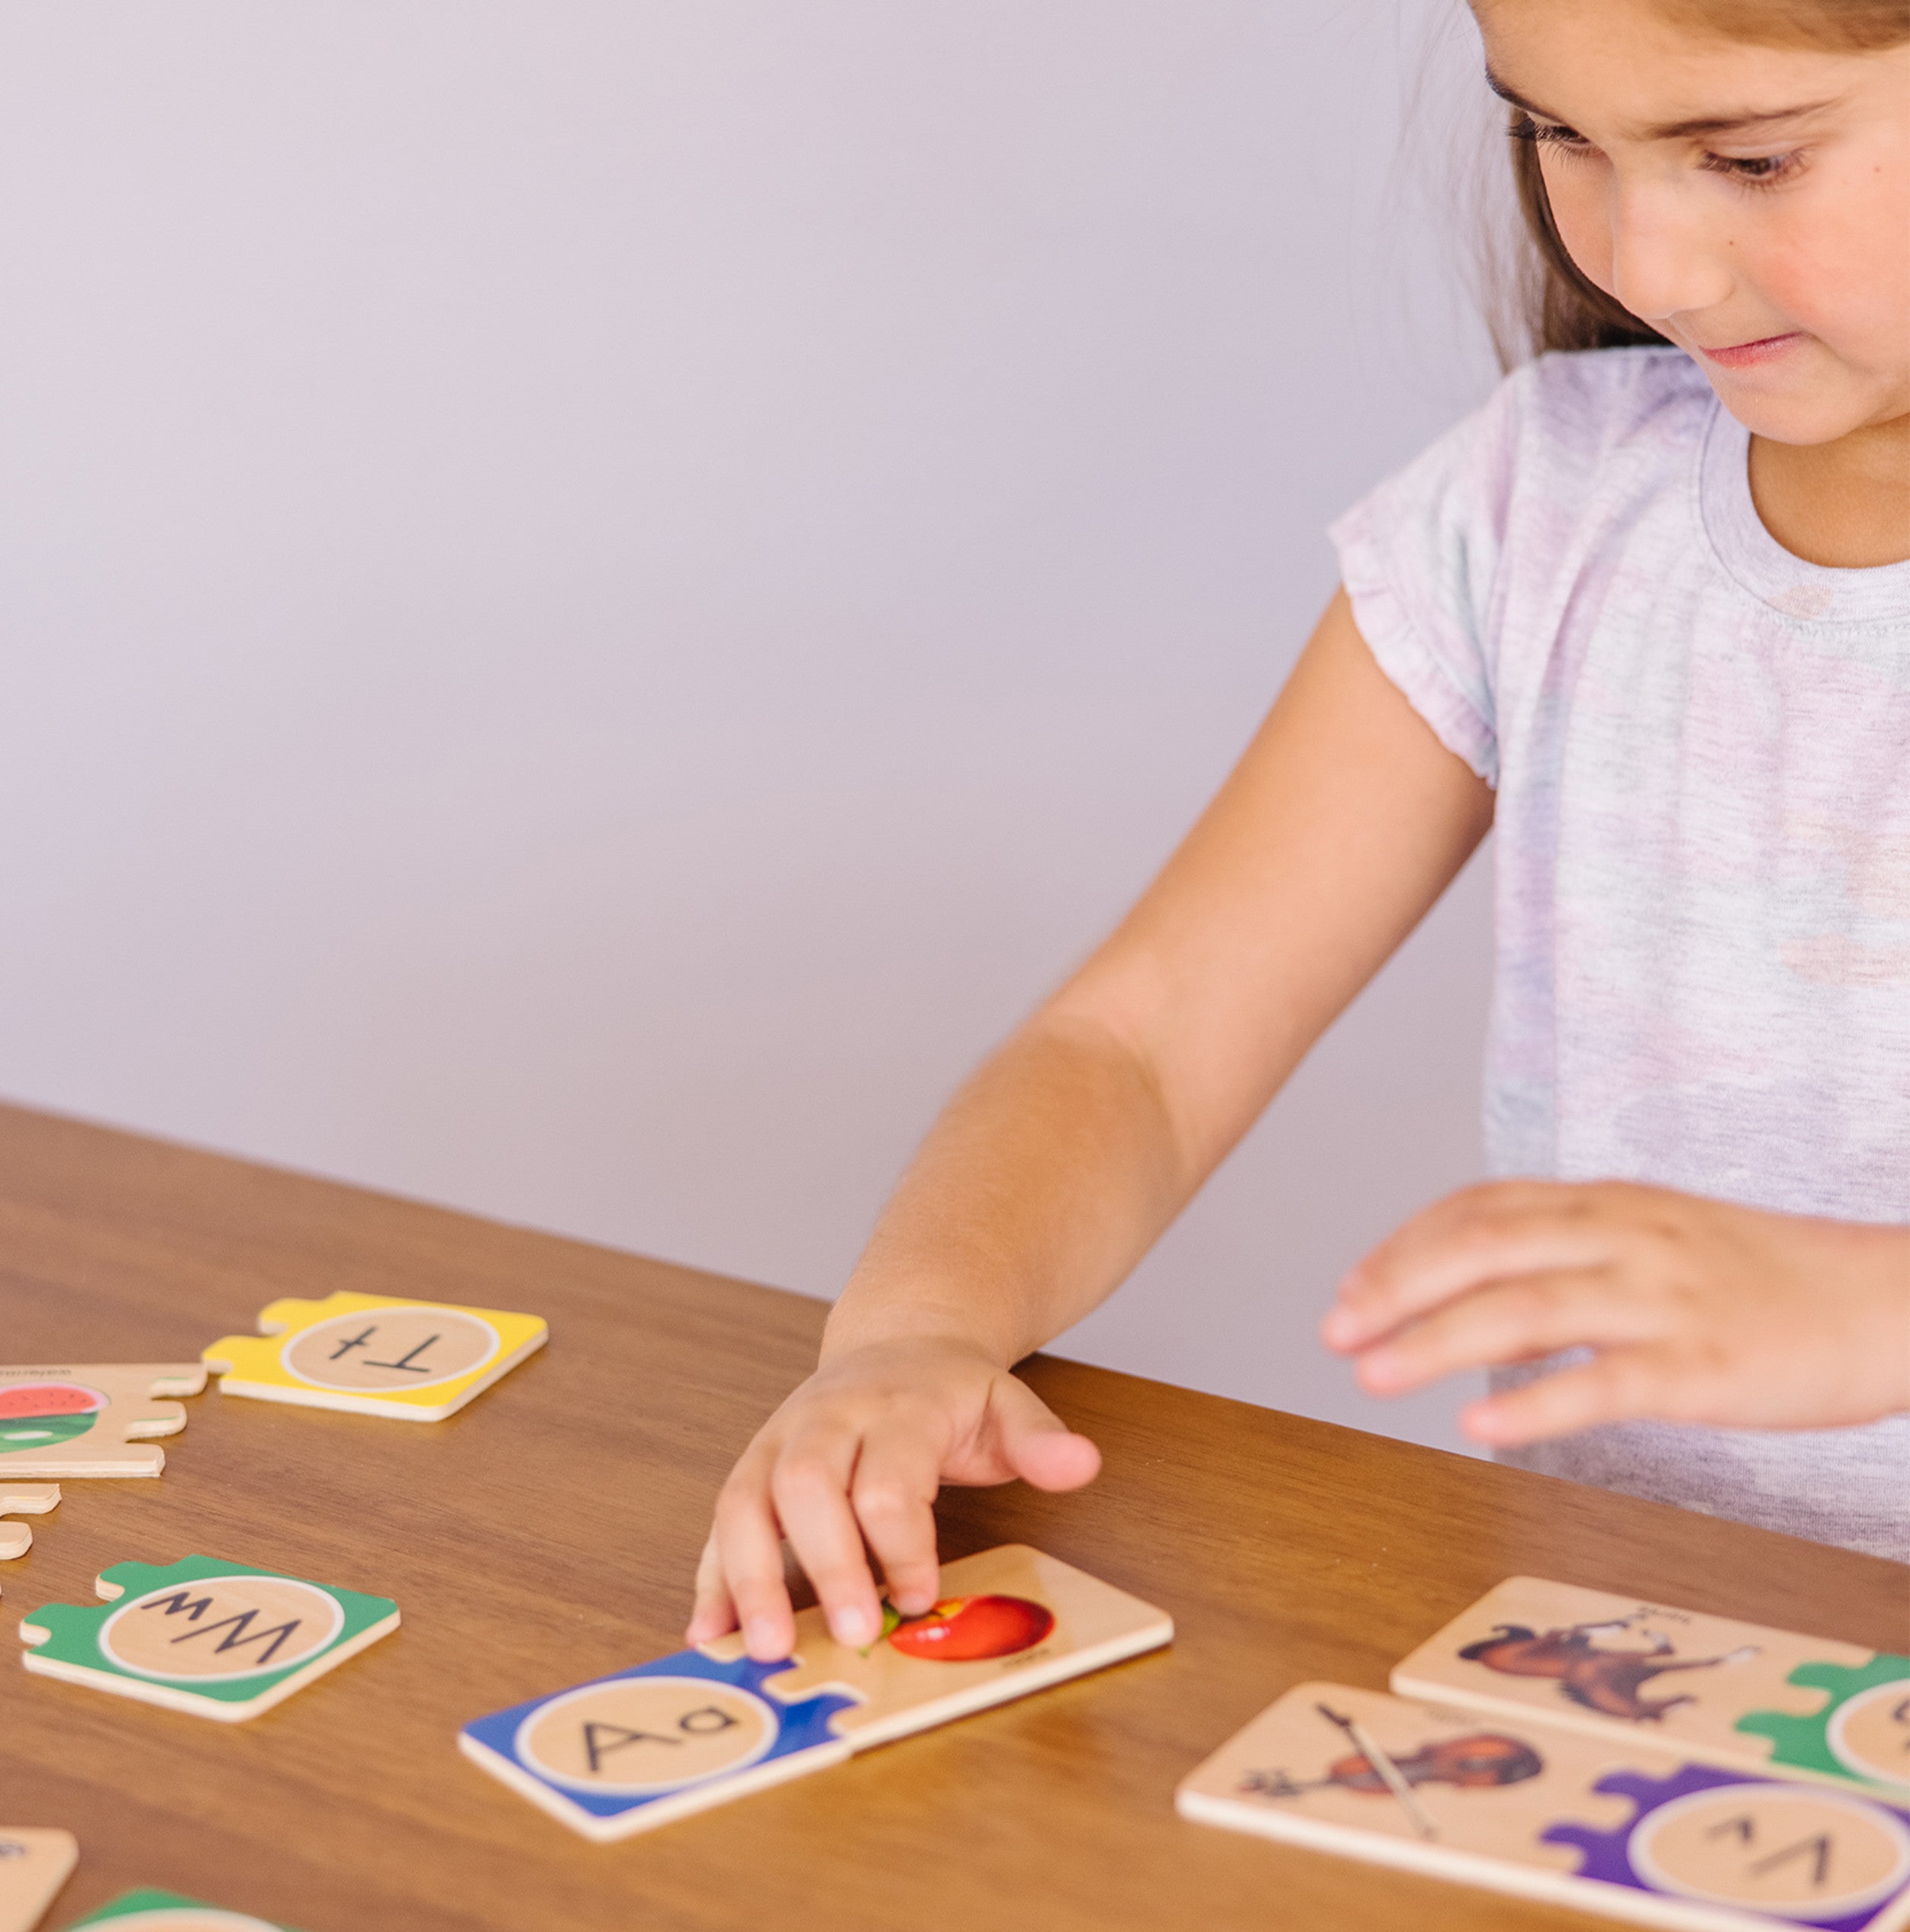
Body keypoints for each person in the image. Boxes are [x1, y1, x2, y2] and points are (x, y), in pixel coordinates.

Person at [691, 0, 1910, 1662]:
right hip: (1642, 1675)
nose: (1653, 262)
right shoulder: (1539, 514)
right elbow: (1140, 1044)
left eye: (1752, 155)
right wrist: (912, 1335)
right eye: (1562, 135)